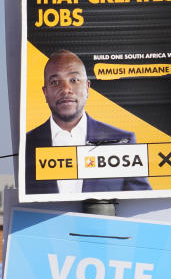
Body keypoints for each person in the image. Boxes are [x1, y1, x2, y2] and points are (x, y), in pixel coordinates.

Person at [25, 50, 152, 195]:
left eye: (74, 80)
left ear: (87, 87)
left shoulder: (122, 142)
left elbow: (143, 203)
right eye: (55, 82)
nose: (66, 89)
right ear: (45, 92)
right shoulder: (26, 146)